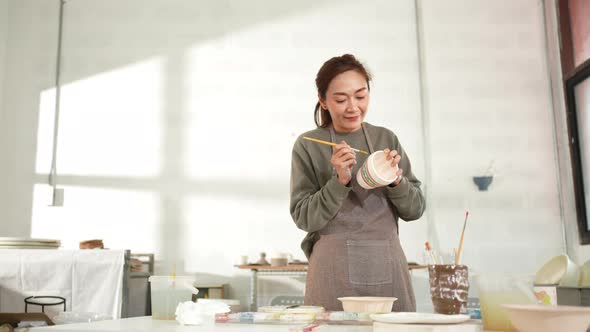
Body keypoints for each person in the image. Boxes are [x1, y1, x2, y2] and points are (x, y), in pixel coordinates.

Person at [290, 54, 426, 312]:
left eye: (361, 96)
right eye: (341, 99)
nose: (353, 107)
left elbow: (415, 209)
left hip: (386, 264)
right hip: (332, 269)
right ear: (323, 101)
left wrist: (397, 181)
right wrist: (338, 181)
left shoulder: (386, 138)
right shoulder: (309, 145)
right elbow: (304, 219)